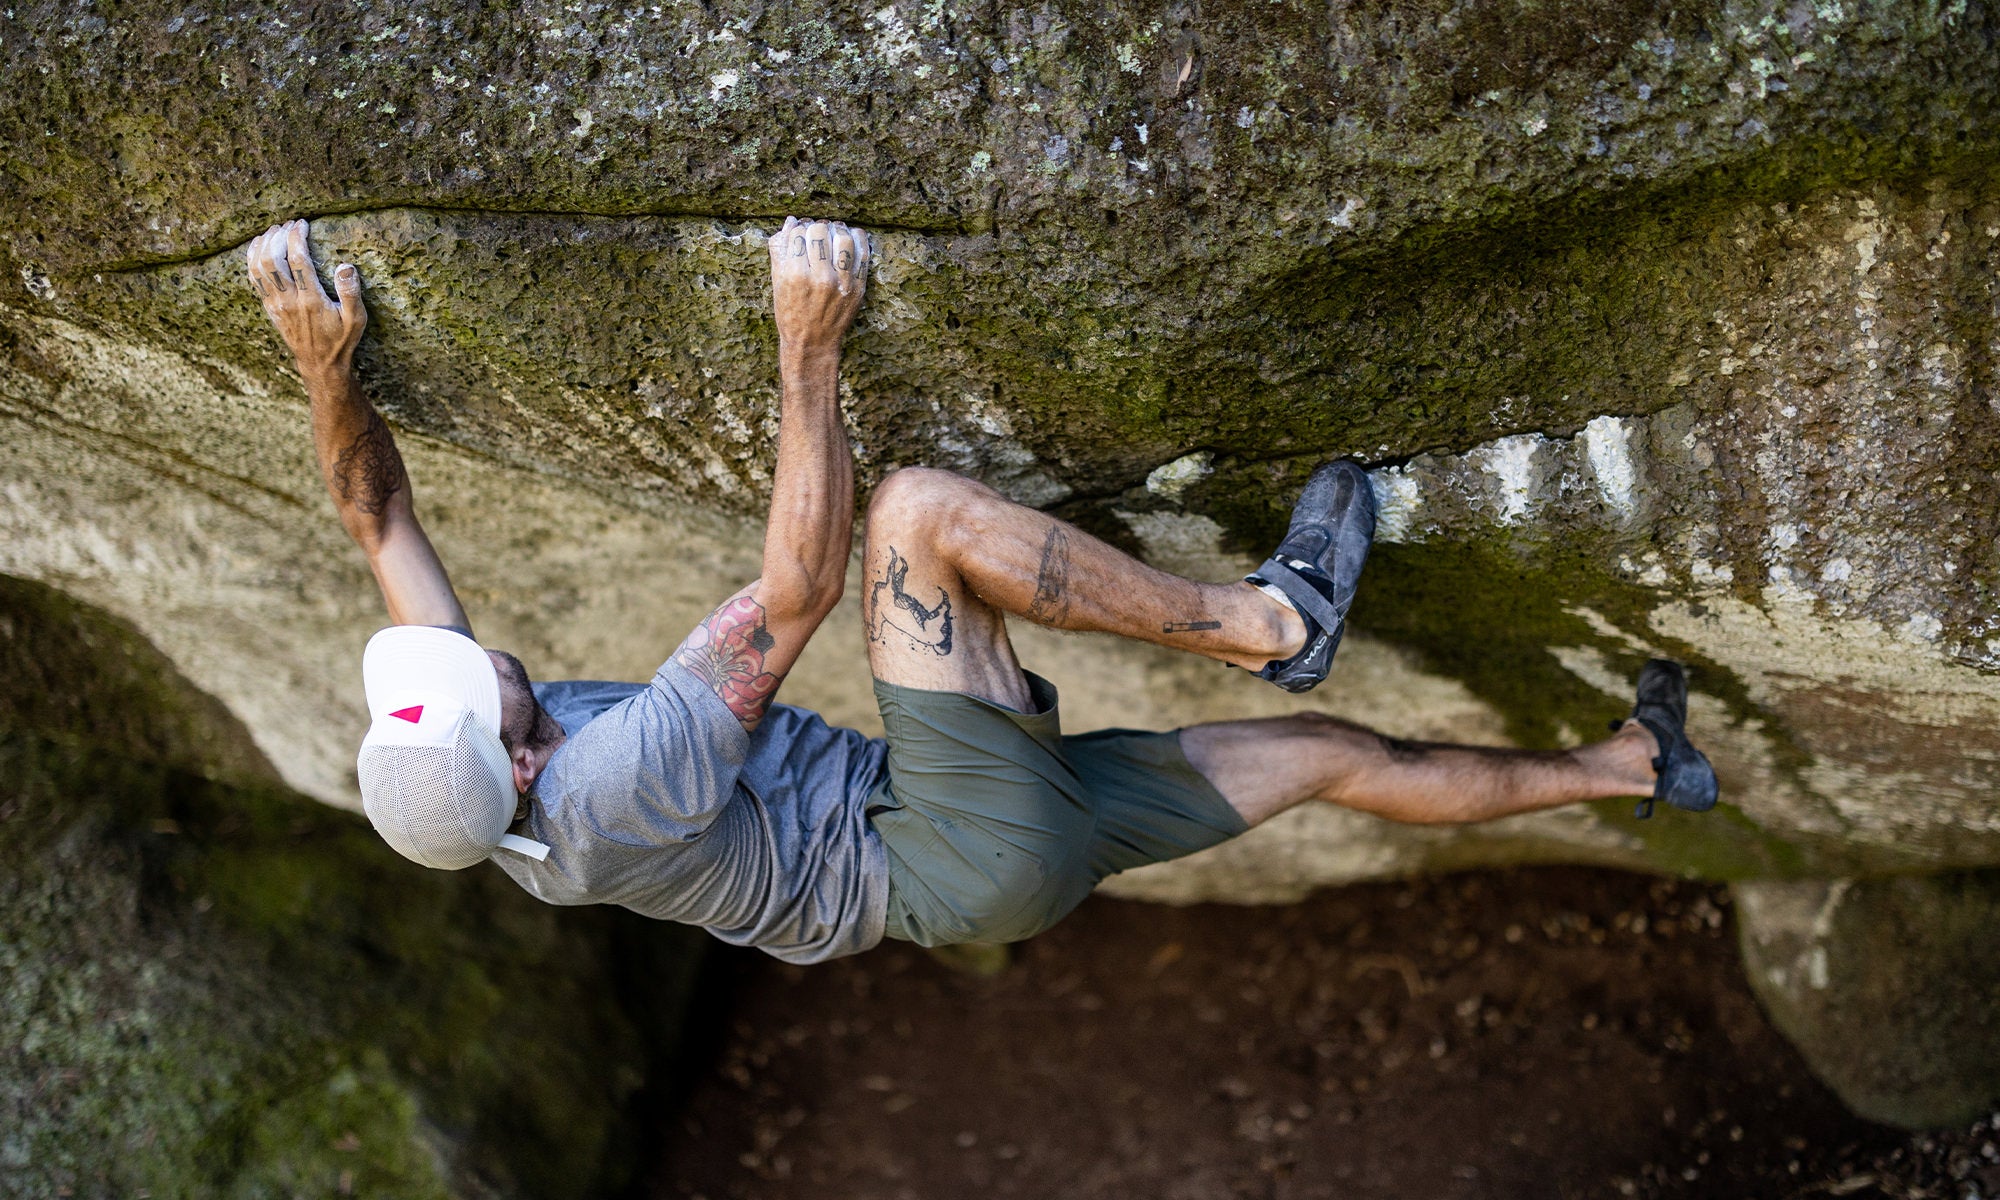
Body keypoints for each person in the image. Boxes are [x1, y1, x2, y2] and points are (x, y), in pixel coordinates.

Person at [245, 215, 1719, 964]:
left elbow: (376, 514)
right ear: (518, 763)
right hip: (935, 846)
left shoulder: (468, 768)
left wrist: (323, 364)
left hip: (978, 869)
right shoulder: (615, 781)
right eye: (471, 684)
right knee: (913, 516)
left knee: (1342, 765)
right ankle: (1268, 624)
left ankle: (1637, 763)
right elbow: (802, 585)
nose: (461, 653)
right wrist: (808, 341)